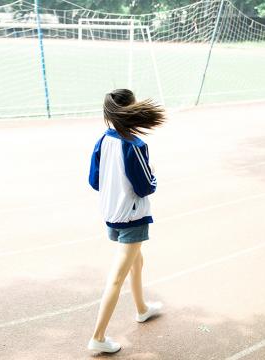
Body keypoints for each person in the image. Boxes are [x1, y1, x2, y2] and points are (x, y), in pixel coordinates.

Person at [87, 89, 166, 353]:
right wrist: (153, 173)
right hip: (132, 216)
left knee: (137, 259)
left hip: (111, 215)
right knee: (116, 277)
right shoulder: (135, 145)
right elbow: (146, 187)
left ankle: (142, 308)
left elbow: (94, 181)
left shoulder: (102, 141)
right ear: (131, 111)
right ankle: (97, 337)